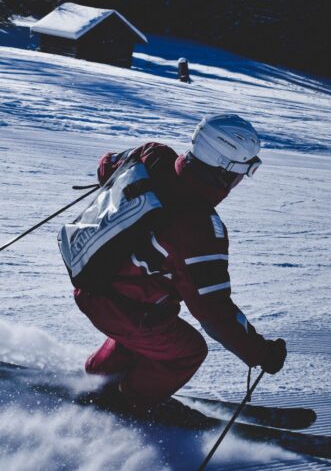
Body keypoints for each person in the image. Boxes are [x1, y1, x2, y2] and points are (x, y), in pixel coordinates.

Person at [74, 113, 287, 408]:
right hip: (122, 307)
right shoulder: (200, 228)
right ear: (225, 169)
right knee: (186, 350)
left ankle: (99, 378)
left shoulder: (153, 154)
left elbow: (106, 165)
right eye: (246, 171)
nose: (242, 180)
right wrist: (260, 353)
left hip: (89, 278)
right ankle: (127, 403)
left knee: (154, 325)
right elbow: (213, 311)